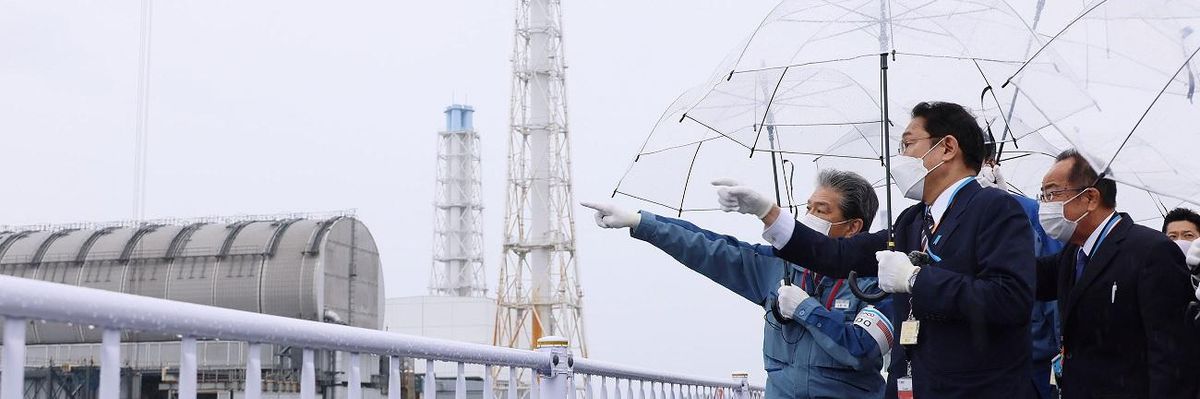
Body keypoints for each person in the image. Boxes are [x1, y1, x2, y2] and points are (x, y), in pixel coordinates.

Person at [715, 101, 1036, 398]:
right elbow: (838, 256)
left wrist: (915, 280)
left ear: (947, 147)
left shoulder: (995, 208)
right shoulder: (914, 221)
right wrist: (768, 213)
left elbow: (1010, 299)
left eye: (909, 144)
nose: (901, 157)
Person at [582, 169, 896, 399]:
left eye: (821, 210)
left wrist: (806, 310)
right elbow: (707, 247)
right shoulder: (777, 266)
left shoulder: (880, 280)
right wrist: (640, 221)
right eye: (808, 207)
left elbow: (863, 350)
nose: (808, 216)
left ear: (854, 227)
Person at [1033, 149, 1198, 398]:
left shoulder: (1151, 251)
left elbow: (1170, 356)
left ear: (1090, 197)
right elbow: (1028, 276)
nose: (1045, 204)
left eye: (1052, 193)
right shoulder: (1073, 253)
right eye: (1043, 195)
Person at [978, 148, 1064, 399]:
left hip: (1033, 358)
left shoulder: (1029, 212)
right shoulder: (937, 218)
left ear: (991, 165)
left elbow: (1049, 286)